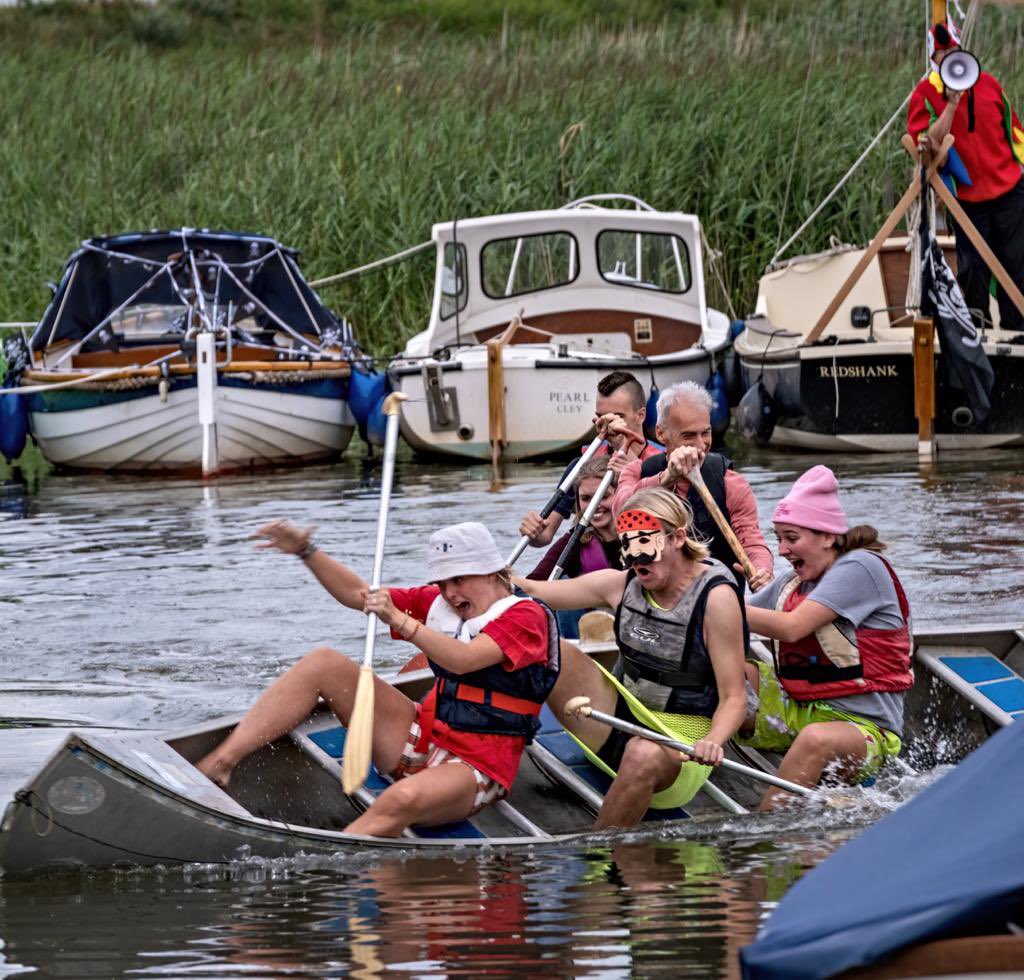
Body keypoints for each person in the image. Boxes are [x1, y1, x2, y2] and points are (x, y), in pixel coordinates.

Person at [197, 520, 559, 838]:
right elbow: (361, 596)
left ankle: (341, 860)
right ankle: (220, 764)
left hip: (479, 767)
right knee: (323, 662)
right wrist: (306, 551)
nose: (450, 592)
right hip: (424, 735)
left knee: (400, 798)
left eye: (460, 579)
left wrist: (400, 620)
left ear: (491, 571)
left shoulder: (526, 617)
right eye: (443, 581)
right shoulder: (440, 603)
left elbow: (464, 660)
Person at [515, 488, 748, 829]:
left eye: (645, 546)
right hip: (626, 717)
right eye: (627, 547)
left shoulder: (717, 599)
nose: (636, 559)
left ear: (678, 538)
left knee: (642, 752)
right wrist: (488, 580)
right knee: (552, 647)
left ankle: (603, 856)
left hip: (682, 742)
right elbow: (534, 592)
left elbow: (735, 698)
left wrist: (713, 741)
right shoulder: (620, 584)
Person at [738, 465, 913, 811]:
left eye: (791, 538)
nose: (783, 550)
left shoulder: (862, 567)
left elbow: (791, 627)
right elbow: (737, 615)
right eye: (778, 538)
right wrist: (706, 591)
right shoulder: (793, 581)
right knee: (728, 677)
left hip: (864, 731)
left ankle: (762, 835)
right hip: (799, 708)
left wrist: (713, 604)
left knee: (815, 739)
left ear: (828, 536)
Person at [907, 17, 1024, 332]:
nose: (947, 58)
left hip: (1009, 188)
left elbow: (1014, 131)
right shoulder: (924, 94)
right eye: (940, 55)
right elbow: (926, 145)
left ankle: (1017, 333)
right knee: (973, 270)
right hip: (966, 198)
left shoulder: (989, 83)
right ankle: (979, 333)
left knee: (1016, 264)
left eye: (952, 51)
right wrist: (951, 105)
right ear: (932, 60)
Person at [609, 380, 773, 591]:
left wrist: (762, 570)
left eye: (705, 433)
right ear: (661, 434)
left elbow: (751, 540)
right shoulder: (637, 472)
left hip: (715, 601)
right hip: (654, 601)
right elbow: (621, 513)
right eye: (688, 435)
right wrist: (667, 479)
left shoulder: (731, 483)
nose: (700, 444)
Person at [519, 370, 663, 548]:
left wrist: (627, 458)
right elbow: (545, 535)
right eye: (602, 417)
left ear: (640, 415)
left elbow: (670, 523)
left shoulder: (662, 463)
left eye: (617, 417)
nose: (608, 425)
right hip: (595, 558)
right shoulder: (583, 464)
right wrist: (533, 531)